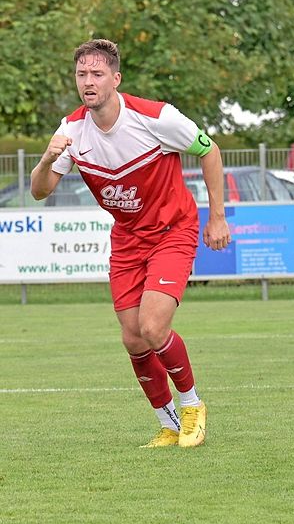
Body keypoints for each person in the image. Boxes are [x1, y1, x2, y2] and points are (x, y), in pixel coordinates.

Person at [31, 39, 231, 447]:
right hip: (127, 239)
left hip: (173, 229)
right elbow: (41, 190)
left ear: (115, 79)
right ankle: (169, 423)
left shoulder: (156, 117)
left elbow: (210, 152)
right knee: (133, 338)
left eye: (97, 74)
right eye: (81, 75)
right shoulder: (71, 131)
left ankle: (193, 405)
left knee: (154, 326)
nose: (88, 82)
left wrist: (218, 217)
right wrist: (46, 159)